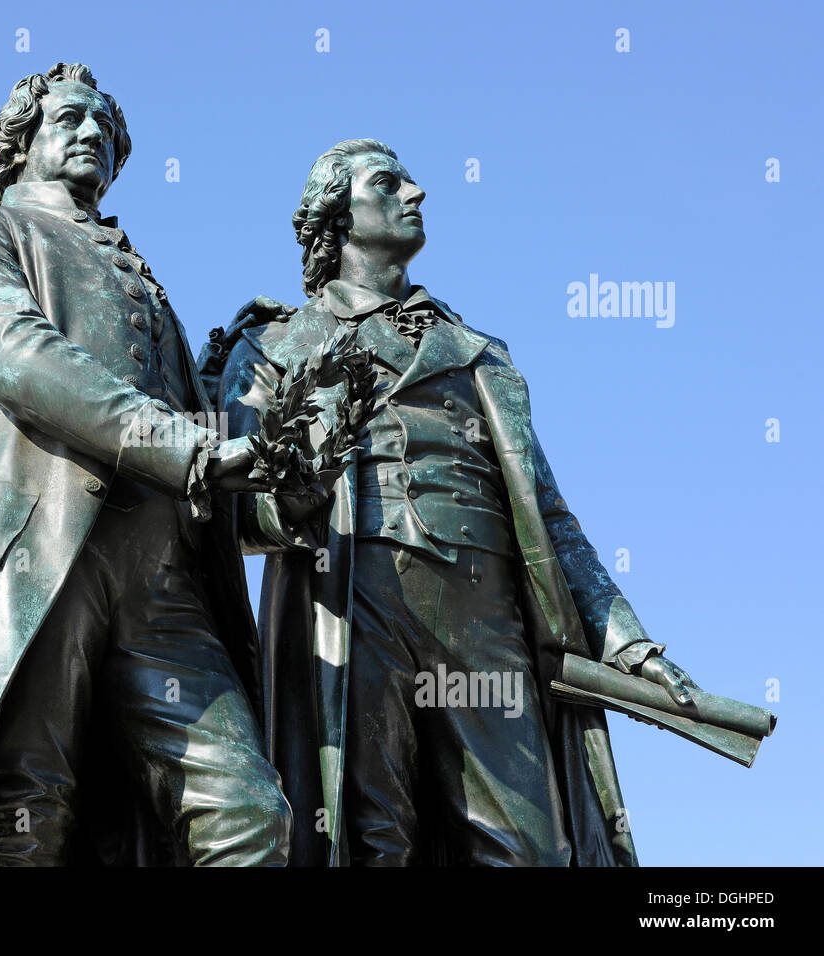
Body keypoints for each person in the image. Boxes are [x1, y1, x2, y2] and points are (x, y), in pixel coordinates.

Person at [204, 139, 700, 866]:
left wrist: (627, 640)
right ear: (336, 215)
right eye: (389, 182)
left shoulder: (477, 353)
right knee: (376, 841)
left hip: (485, 605)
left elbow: (550, 516)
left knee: (528, 845)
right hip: (352, 598)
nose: (417, 191)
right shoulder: (273, 342)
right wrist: (294, 502)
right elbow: (234, 507)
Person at [0, 63, 299, 866]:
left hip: (164, 577)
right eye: (70, 118)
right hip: (24, 553)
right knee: (24, 814)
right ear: (21, 140)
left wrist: (279, 489)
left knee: (247, 812)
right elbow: (22, 358)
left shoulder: (150, 290)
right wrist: (188, 447)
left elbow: (209, 435)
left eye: (105, 126)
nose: (92, 134)